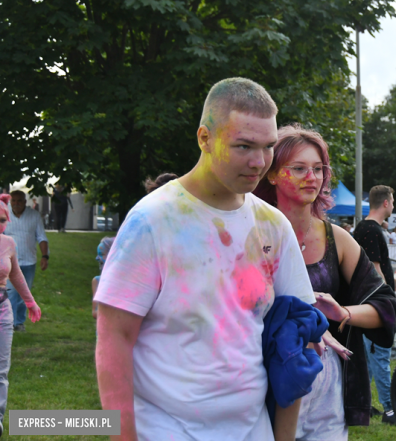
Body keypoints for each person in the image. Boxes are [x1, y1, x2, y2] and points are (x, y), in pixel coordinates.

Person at [94, 78, 317, 440]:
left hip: (252, 429)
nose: (259, 162)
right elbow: (113, 336)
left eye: (268, 146)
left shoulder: (272, 225)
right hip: (165, 429)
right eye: (243, 146)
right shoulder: (152, 220)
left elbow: (296, 337)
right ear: (204, 138)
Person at [253, 124, 396, 436]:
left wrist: (344, 313)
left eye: (318, 168)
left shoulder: (337, 238)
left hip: (326, 388)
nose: (312, 177)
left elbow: (388, 306)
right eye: (299, 168)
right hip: (262, 379)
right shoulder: (250, 235)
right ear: (271, 173)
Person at [353, 185, 396, 425]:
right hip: (376, 304)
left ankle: (363, 403)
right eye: (392, 201)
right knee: (380, 355)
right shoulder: (371, 230)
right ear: (386, 203)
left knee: (370, 357)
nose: (393, 205)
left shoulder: (367, 228)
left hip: (369, 302)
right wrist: (388, 298)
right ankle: (389, 410)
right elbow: (375, 270)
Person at [0, 194, 42, 436]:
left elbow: (16, 275)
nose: (1, 225)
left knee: (1, 370)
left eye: (3, 220)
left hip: (3, 309)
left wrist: (30, 302)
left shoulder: (8, 243)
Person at [4, 190, 48, 332]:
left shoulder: (34, 216)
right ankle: (9, 323)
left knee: (24, 293)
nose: (16, 204)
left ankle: (19, 322)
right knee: (10, 292)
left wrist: (45, 256)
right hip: (10, 261)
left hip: (29, 262)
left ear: (25, 202)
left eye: (19, 201)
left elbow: (41, 237)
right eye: (13, 201)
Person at [92, 236, 116, 319]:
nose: (97, 258)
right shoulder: (97, 281)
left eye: (101, 254)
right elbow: (95, 312)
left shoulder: (125, 282)